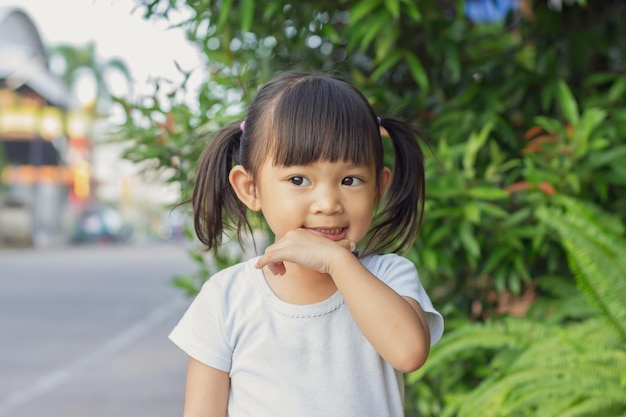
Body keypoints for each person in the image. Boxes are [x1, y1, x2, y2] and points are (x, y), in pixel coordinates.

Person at [169, 72, 444, 417]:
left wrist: (339, 262)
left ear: (378, 188)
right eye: (299, 179)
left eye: (350, 180)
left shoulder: (388, 276)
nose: (328, 203)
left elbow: (408, 352)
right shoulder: (227, 298)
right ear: (250, 188)